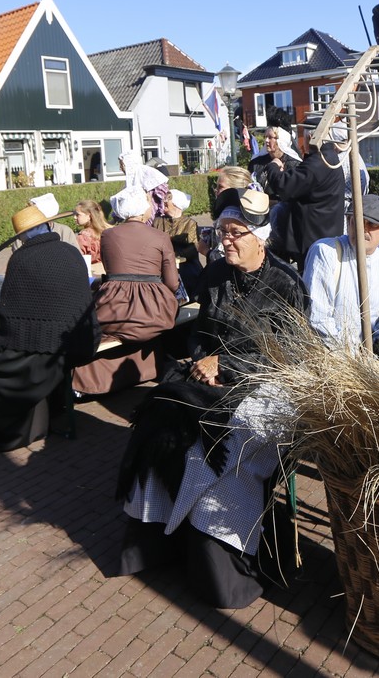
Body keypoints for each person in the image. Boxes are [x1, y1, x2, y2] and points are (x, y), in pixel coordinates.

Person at [116, 187, 309, 608]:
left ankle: (219, 564)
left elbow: (290, 353)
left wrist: (227, 366)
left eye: (236, 233)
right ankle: (156, 544)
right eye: (223, 231)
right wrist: (204, 361)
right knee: (158, 422)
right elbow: (201, 331)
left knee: (218, 446)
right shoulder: (216, 273)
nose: (226, 241)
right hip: (208, 379)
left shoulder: (287, 283)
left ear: (260, 237)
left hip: (264, 385)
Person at [0, 205, 96, 452]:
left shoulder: (21, 259)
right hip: (85, 339)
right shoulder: (71, 251)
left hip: (52, 347)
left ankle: (2, 427)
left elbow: (9, 315)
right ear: (48, 226)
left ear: (22, 235)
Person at [71, 186, 179, 396]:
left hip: (113, 309)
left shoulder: (108, 235)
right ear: (142, 209)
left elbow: (110, 270)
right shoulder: (160, 236)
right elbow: (172, 283)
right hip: (154, 313)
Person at [304, 195, 379, 353]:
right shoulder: (327, 252)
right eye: (356, 221)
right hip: (329, 356)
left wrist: (377, 351)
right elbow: (318, 319)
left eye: (371, 224)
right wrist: (349, 358)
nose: (361, 229)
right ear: (348, 221)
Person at [257, 122, 345, 266]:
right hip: (320, 232)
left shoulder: (319, 161)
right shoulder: (326, 157)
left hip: (315, 236)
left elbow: (285, 186)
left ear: (311, 137)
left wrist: (273, 166)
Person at [154, 188, 203, 298]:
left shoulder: (190, 224)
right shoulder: (157, 221)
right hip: (162, 264)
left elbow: (193, 248)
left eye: (168, 198)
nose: (164, 201)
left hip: (185, 266)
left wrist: (172, 255)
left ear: (177, 204)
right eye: (165, 198)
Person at [120, 150, 170, 219]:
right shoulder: (131, 179)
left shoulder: (149, 173)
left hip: (153, 217)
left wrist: (161, 213)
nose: (120, 168)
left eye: (121, 165)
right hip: (138, 219)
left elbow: (163, 195)